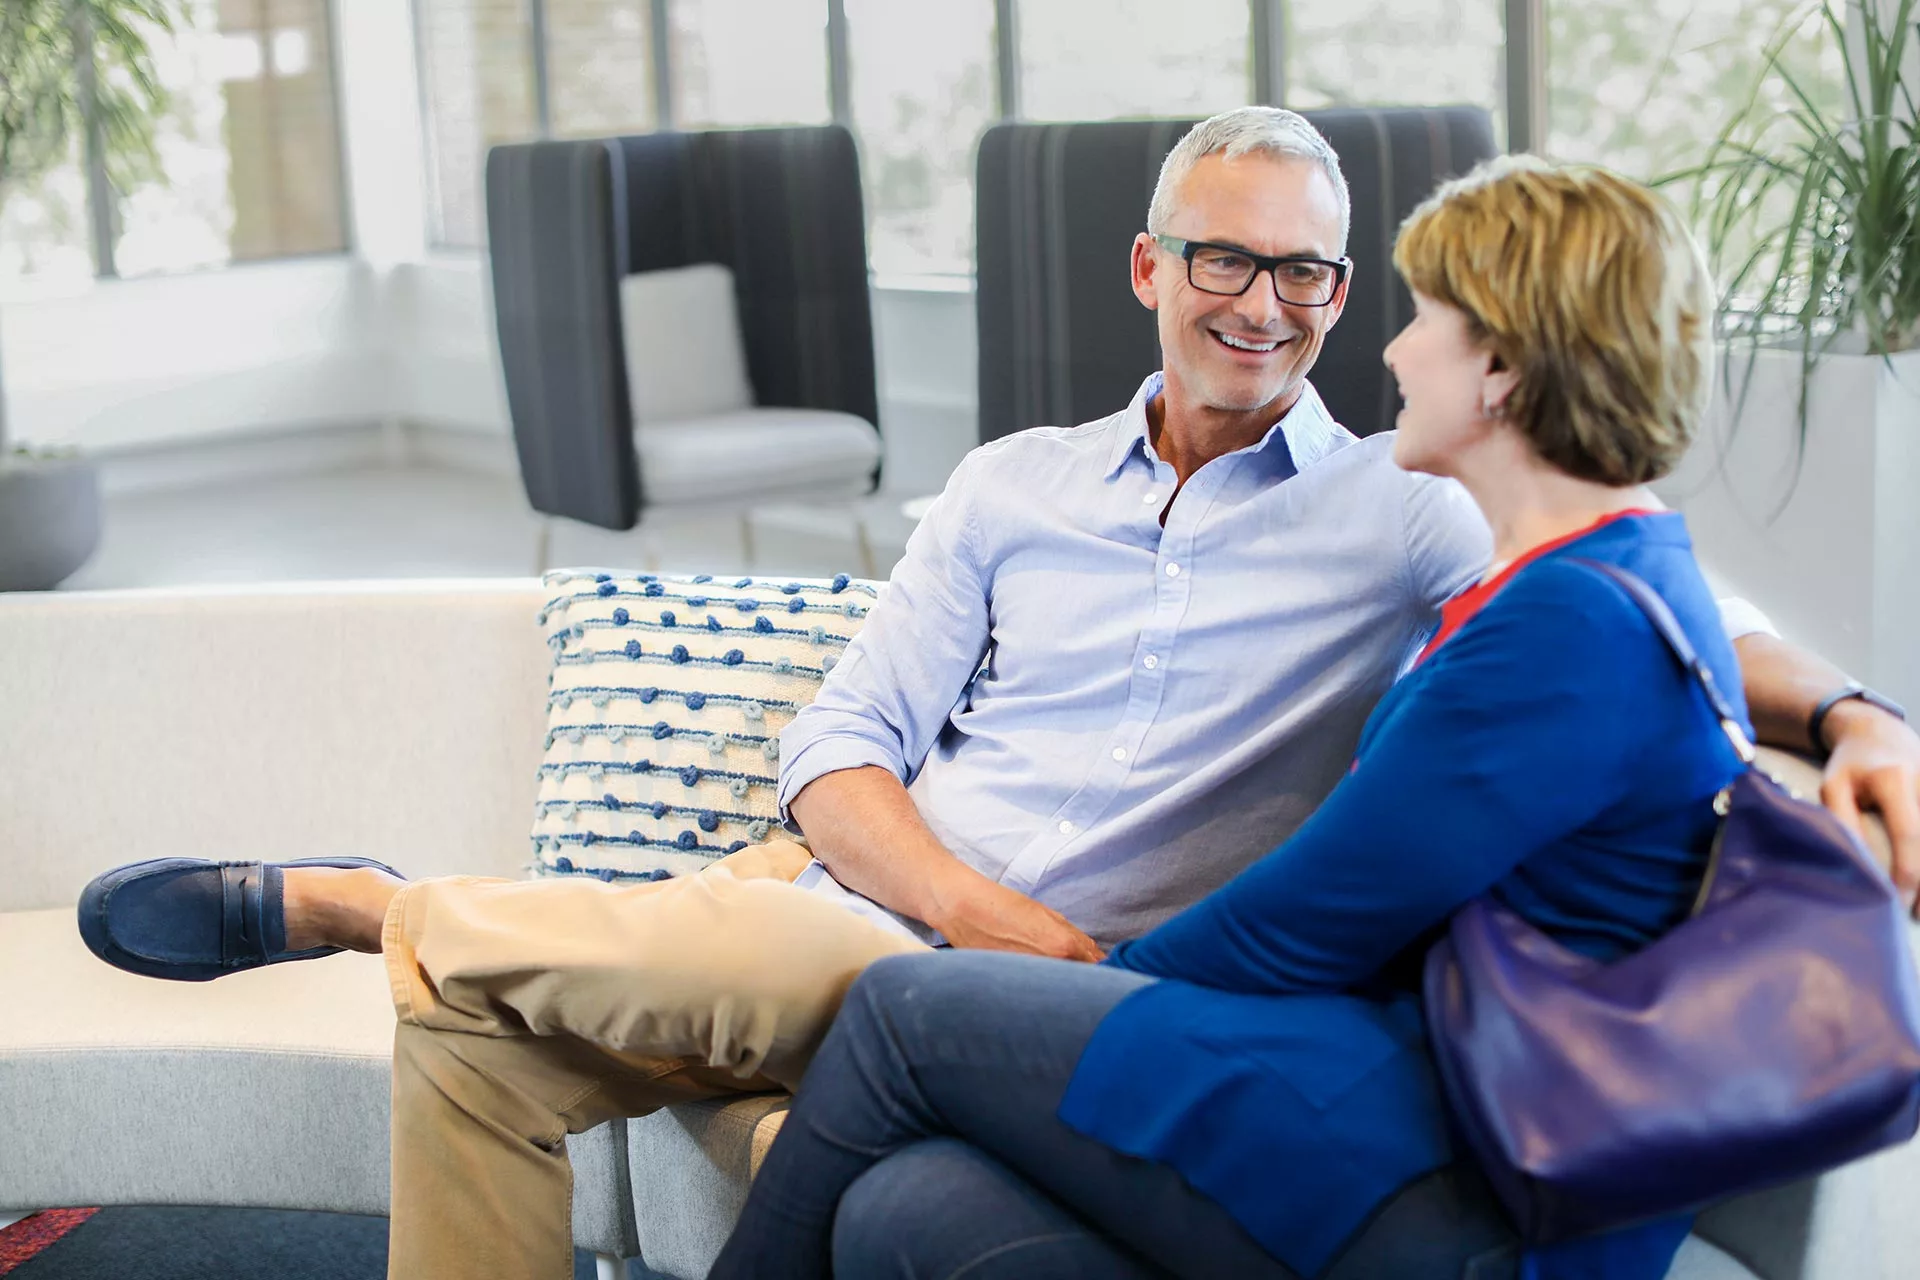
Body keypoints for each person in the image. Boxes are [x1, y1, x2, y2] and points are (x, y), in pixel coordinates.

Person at [75, 110, 1920, 1280]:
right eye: (1225, 256)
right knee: (478, 1042)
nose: (1269, 304)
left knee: (584, 1004)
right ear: (1149, 269)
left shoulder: (1412, 514)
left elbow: (1650, 600)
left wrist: (1854, 710)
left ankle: (369, 904)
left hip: (1050, 988)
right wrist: (956, 907)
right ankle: (418, 927)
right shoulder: (1007, 487)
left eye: (1312, 272)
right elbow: (840, 744)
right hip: (883, 917)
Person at [708, 155, 1778, 1280]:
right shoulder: (1589, 577)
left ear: (1502, 370)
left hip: (1480, 1191)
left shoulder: (1564, 625)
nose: (1395, 351)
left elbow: (1305, 923)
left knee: (902, 1009)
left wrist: (1038, 986)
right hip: (1421, 1099)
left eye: (1425, 323)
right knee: (906, 1209)